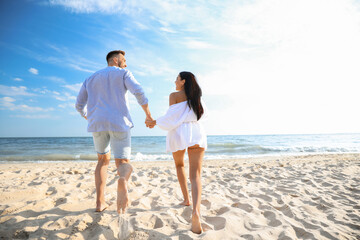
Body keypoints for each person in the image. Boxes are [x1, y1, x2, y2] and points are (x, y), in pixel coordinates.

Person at [76, 50, 153, 214]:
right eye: (124, 60)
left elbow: (78, 105)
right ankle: (123, 180)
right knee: (123, 162)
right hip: (119, 122)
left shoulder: (90, 78)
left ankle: (99, 203)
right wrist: (148, 115)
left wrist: (87, 116)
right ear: (115, 60)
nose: (125, 63)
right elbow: (138, 91)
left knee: (102, 161)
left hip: (97, 123)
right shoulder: (124, 73)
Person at [146, 71, 207, 234]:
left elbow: (171, 117)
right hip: (196, 131)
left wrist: (154, 122)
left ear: (183, 81)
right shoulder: (197, 96)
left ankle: (186, 199)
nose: (174, 81)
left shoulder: (174, 95)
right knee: (196, 175)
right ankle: (196, 211)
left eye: (177, 79)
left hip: (179, 132)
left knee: (180, 165)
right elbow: (202, 115)